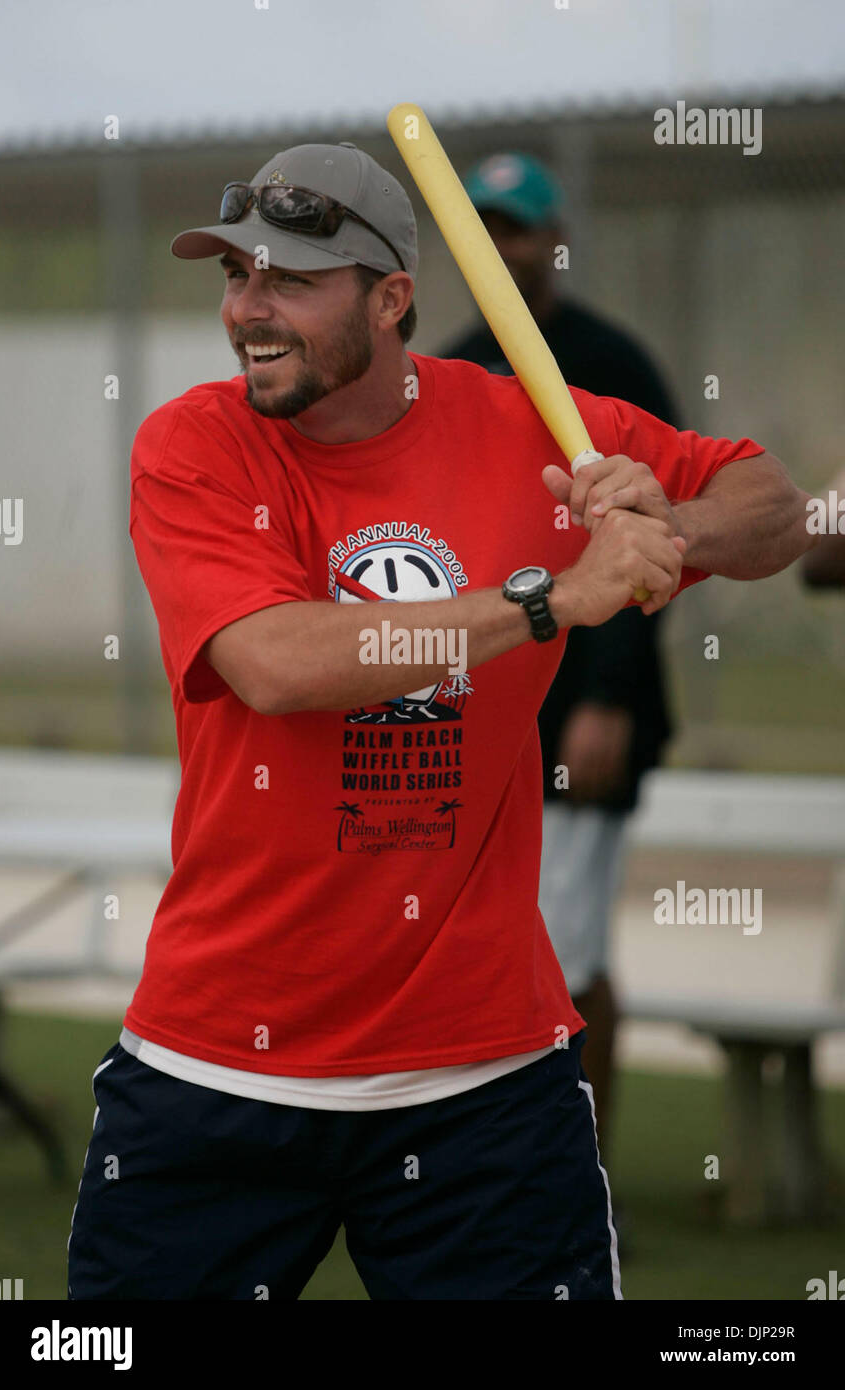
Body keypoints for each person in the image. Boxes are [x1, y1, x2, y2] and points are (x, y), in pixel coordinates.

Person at [67, 141, 812, 1301]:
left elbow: (776, 503)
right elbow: (274, 660)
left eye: (290, 281)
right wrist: (553, 598)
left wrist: (668, 524)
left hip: (487, 1083)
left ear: (391, 296)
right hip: (222, 1065)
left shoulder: (532, 423)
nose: (248, 312)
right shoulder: (194, 445)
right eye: (235, 277)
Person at [440, 152, 681, 1162]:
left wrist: (612, 697)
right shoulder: (445, 367)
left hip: (580, 710)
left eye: (519, 228)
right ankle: (488, 1170)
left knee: (568, 961)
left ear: (555, 239)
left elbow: (654, 539)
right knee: (477, 959)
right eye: (484, 227)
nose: (501, 247)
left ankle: (585, 1169)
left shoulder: (609, 360)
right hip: (483, 713)